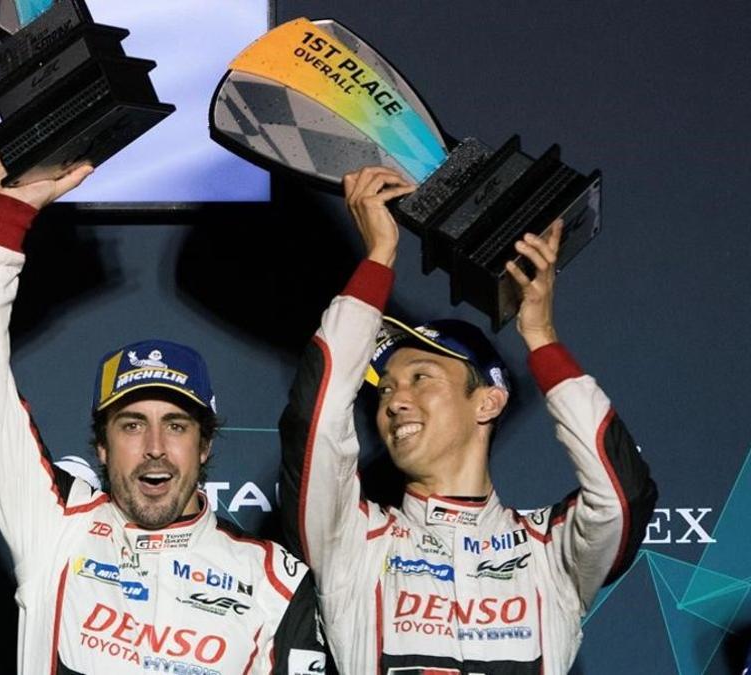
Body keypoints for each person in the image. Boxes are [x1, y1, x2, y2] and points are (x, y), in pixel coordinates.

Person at [0, 152, 332, 673]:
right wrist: (8, 217)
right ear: (101, 447)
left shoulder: (274, 581)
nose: (155, 446)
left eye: (176, 425)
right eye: (132, 425)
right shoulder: (55, 526)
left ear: (205, 445)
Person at [278, 167, 657, 673]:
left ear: (488, 402)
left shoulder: (548, 553)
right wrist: (378, 256)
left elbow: (620, 495)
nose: (394, 400)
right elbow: (318, 420)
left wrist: (541, 337)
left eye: (422, 377)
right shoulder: (352, 540)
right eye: (386, 387)